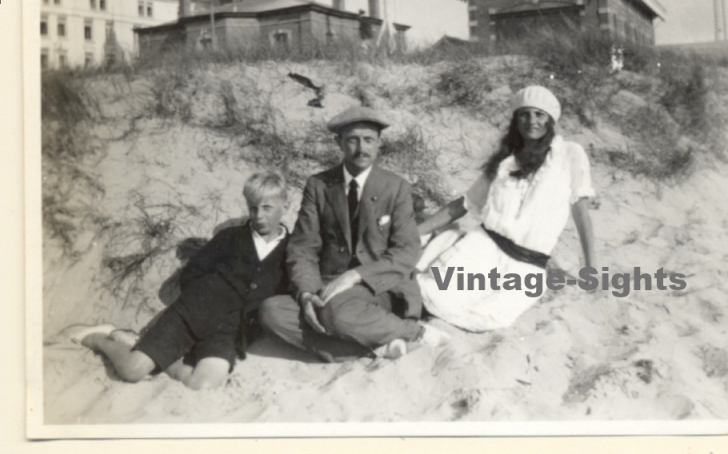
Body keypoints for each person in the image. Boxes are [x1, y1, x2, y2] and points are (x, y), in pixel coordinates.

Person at [62, 170, 292, 390]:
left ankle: (140, 345)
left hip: (230, 331)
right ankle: (100, 338)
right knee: (132, 371)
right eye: (253, 208)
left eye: (267, 208)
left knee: (202, 386)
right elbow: (193, 273)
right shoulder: (230, 237)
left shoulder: (292, 251)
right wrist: (203, 300)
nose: (259, 216)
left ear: (285, 206)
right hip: (193, 313)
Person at [260, 106, 448, 362]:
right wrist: (307, 293)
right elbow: (303, 247)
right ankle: (375, 346)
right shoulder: (319, 185)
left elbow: (406, 252)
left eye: (369, 140)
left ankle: (413, 332)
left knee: (338, 312)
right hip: (327, 286)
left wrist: (355, 275)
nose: (362, 148)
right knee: (272, 312)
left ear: (379, 144)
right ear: (339, 143)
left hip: (380, 287)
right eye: (353, 140)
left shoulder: (396, 187)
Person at [416, 85, 597, 332]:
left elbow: (581, 211)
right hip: (483, 248)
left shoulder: (570, 154)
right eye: (524, 114)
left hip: (527, 264)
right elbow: (465, 204)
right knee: (432, 297)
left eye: (539, 114)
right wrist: (418, 231)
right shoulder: (506, 160)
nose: (531, 121)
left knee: (481, 319)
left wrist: (591, 266)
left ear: (550, 120)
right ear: (516, 120)